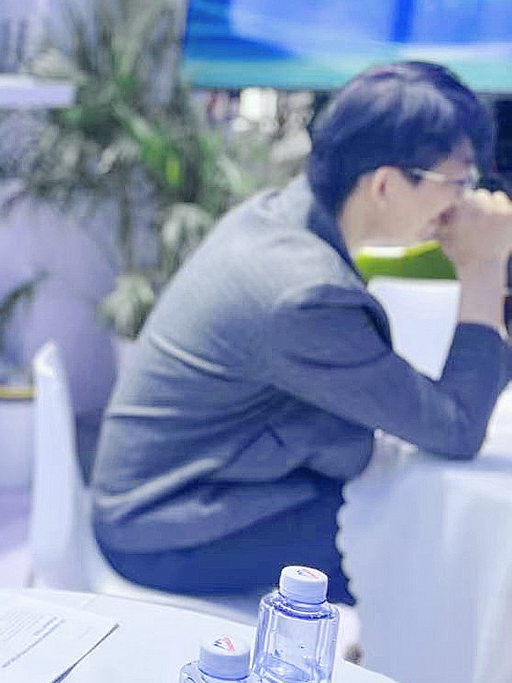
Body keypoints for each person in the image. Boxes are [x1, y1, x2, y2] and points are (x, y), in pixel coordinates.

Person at [91, 62, 512, 604]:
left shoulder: (279, 214)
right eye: (458, 183)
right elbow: (455, 430)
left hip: (213, 477)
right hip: (168, 525)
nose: (465, 202)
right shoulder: (302, 292)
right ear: (385, 184)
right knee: (431, 541)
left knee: (411, 503)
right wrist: (482, 266)